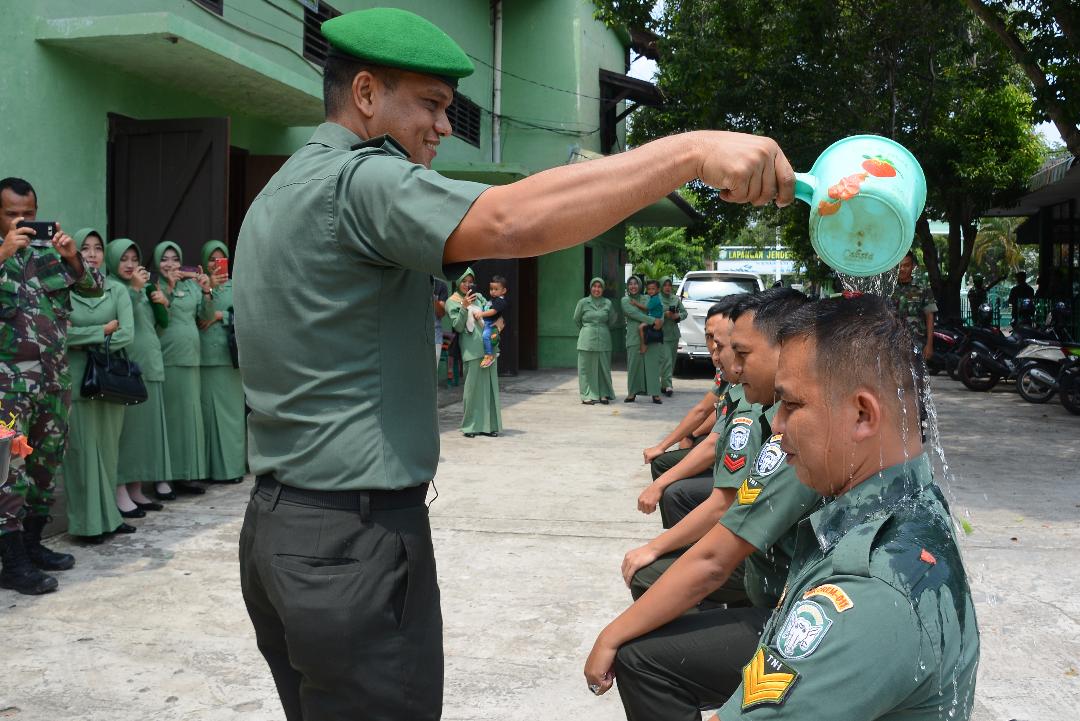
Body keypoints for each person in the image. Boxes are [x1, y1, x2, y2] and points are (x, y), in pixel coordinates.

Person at [232, 7, 795, 719]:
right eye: (431, 106)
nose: (442, 127)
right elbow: (507, 220)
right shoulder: (361, 182)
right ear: (367, 94)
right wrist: (687, 154)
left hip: (280, 531)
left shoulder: (278, 193)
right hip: (354, 540)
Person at [706, 294, 979, 721]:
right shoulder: (904, 503)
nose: (776, 426)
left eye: (792, 405)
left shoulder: (871, 592)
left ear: (862, 414)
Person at [584, 289, 818, 720]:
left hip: (800, 613)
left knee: (640, 652)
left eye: (738, 349)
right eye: (718, 343)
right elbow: (708, 432)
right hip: (778, 586)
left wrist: (611, 635)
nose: (725, 357)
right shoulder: (776, 412)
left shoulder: (797, 436)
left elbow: (715, 554)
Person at [0, 177, 103, 595]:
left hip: (52, 381)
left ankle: (32, 543)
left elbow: (94, 289)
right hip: (7, 391)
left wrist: (74, 258)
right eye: (11, 213)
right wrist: (4, 251)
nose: (22, 220)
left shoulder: (48, 254)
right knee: (9, 470)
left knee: (44, 464)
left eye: (28, 212)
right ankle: (11, 561)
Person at [636, 296, 754, 529]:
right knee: (665, 464)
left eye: (718, 340)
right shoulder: (728, 373)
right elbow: (707, 410)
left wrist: (659, 485)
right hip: (726, 457)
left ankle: (685, 549)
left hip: (741, 475)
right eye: (708, 337)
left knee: (675, 491)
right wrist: (667, 443)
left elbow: (714, 438)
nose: (713, 347)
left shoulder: (749, 383)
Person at [62, 229, 135, 542]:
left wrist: (86, 337)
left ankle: (111, 518)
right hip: (75, 380)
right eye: (85, 248)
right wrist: (102, 330)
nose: (92, 254)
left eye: (97, 248)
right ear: (74, 254)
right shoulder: (61, 290)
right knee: (80, 453)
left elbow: (127, 334)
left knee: (107, 451)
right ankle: (87, 524)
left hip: (109, 379)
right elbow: (58, 336)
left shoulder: (117, 290)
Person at [107, 238, 170, 515]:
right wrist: (133, 291)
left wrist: (159, 302)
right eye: (124, 259)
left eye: (134, 259)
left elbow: (161, 325)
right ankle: (120, 490)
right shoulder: (112, 288)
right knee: (128, 434)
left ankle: (136, 488)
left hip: (151, 365)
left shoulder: (142, 287)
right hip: (127, 369)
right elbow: (120, 320)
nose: (130, 264)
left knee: (145, 434)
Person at [153, 241, 216, 499]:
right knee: (168, 421)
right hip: (167, 360)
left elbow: (207, 316)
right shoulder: (153, 287)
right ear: (157, 263)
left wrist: (207, 291)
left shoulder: (191, 286)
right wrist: (167, 288)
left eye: (175, 259)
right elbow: (158, 316)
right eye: (165, 259)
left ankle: (188, 473)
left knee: (190, 420)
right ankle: (163, 478)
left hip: (192, 359)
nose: (170, 264)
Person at [197, 241, 245, 484]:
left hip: (230, 359)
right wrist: (208, 292)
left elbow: (248, 314)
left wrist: (221, 315)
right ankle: (207, 471)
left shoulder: (236, 286)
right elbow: (197, 316)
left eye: (221, 259)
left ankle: (233, 469)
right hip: (205, 358)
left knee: (231, 417)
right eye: (211, 260)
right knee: (206, 416)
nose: (216, 264)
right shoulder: (200, 286)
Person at [447, 268, 503, 437]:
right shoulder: (453, 301)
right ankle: (470, 427)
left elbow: (493, 312)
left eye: (470, 281)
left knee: (490, 387)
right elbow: (457, 326)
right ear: (458, 282)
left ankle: (490, 426)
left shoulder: (478, 297)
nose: (467, 284)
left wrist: (499, 322)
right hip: (471, 349)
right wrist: (464, 307)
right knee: (472, 389)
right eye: (464, 281)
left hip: (489, 348)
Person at [573, 277, 617, 405]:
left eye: (599, 287)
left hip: (604, 339)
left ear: (603, 289)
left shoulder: (608, 303)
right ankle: (586, 395)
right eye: (594, 286)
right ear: (590, 288)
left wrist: (601, 328)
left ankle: (604, 394)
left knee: (603, 367)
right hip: (586, 339)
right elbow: (576, 319)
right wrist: (588, 329)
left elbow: (612, 319)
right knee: (585, 369)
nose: (597, 289)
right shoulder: (583, 302)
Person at [622, 276, 664, 404]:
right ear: (628, 286)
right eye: (630, 284)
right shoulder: (625, 300)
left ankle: (655, 393)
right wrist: (653, 320)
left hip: (650, 334)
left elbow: (659, 309)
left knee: (652, 365)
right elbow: (634, 314)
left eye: (636, 284)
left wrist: (660, 320)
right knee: (634, 366)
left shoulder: (647, 298)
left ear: (640, 286)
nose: (633, 286)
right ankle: (632, 393)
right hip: (634, 337)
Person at [890, 250, 936, 359]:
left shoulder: (922, 286)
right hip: (892, 342)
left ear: (913, 266)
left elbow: (929, 315)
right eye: (899, 266)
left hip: (917, 342)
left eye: (906, 265)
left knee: (916, 375)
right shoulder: (889, 288)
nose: (902, 269)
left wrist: (929, 344)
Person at [658, 278, 688, 396]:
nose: (667, 287)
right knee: (666, 360)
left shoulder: (675, 299)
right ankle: (668, 385)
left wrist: (677, 316)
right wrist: (664, 314)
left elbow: (684, 313)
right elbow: (652, 312)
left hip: (674, 335)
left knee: (672, 360)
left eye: (669, 285)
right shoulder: (657, 299)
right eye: (664, 285)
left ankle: (664, 385)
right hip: (662, 334)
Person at [478, 274, 509, 369]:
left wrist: (481, 314)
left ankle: (489, 356)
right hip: (487, 322)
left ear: (503, 291)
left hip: (491, 323)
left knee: (485, 336)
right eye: (491, 289)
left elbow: (493, 311)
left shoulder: (500, 301)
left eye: (496, 289)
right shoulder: (493, 299)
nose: (493, 291)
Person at [433, 277, 449, 366]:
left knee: (433, 371)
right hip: (414, 335)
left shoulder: (440, 285)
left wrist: (432, 297)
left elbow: (441, 313)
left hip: (435, 336)